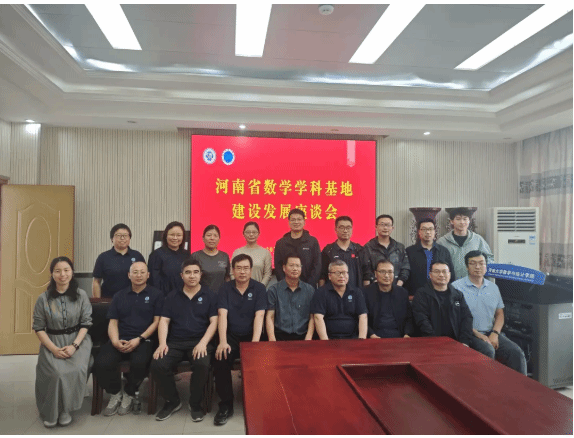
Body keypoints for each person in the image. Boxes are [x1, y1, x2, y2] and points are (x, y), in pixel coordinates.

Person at [151, 258, 218, 422]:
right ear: (182, 275)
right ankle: (172, 401)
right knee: (158, 363)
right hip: (175, 342)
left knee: (202, 364)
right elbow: (164, 321)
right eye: (188, 272)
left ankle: (195, 403)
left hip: (200, 341)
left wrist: (203, 343)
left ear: (201, 275)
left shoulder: (210, 295)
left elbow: (214, 322)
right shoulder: (172, 296)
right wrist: (162, 344)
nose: (192, 276)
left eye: (195, 272)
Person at [94, 261, 164, 416]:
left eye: (142, 272)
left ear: (148, 275)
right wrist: (115, 341)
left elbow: (156, 322)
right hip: (120, 338)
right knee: (101, 363)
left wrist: (139, 339)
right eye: (135, 272)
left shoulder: (156, 295)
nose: (139, 275)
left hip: (143, 339)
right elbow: (113, 322)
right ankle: (115, 392)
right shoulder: (119, 295)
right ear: (129, 275)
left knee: (140, 362)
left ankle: (129, 393)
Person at [33, 256, 93, 428]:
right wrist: (53, 349)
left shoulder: (81, 295)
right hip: (52, 341)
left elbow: (86, 323)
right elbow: (39, 328)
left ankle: (66, 409)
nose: (62, 275)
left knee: (76, 369)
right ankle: (51, 411)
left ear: (72, 272)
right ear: (52, 274)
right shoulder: (43, 299)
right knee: (55, 373)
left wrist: (74, 346)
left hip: (78, 340)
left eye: (66, 270)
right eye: (58, 271)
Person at [452, 251, 527, 374]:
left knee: (516, 353)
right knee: (487, 350)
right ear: (466, 266)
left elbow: (500, 314)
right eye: (473, 263)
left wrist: (495, 333)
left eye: (481, 263)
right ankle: (486, 385)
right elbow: (456, 318)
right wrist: (478, 335)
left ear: (486, 266)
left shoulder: (493, 287)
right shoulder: (456, 287)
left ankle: (519, 385)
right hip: (469, 333)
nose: (477, 267)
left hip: (491, 332)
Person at [213, 254, 267, 426]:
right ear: (233, 270)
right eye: (239, 268)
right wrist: (223, 341)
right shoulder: (225, 288)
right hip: (230, 335)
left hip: (252, 335)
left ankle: (255, 401)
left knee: (259, 360)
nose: (242, 272)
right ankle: (226, 404)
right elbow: (222, 315)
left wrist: (255, 344)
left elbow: (260, 316)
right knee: (221, 358)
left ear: (251, 270)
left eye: (246, 268)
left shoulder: (259, 288)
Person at [411, 261, 473, 347]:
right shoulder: (421, 294)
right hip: (431, 342)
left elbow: (467, 318)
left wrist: (464, 341)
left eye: (444, 271)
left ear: (449, 274)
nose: (441, 275)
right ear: (430, 275)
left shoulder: (458, 295)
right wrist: (435, 342)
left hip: (457, 341)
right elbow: (422, 320)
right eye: (437, 271)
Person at [310, 260, 368, 340]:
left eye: (344, 273)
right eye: (337, 273)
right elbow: (318, 317)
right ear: (329, 276)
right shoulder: (321, 292)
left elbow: (363, 316)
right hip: (329, 338)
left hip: (353, 339)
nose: (341, 276)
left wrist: (361, 340)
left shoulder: (356, 292)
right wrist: (325, 342)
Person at [266, 254, 315, 341]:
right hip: (280, 338)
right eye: (291, 265)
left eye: (298, 266)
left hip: (303, 337)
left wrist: (308, 338)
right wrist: (272, 339)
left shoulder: (309, 290)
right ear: (284, 268)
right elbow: (270, 316)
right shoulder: (273, 290)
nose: (295, 269)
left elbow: (312, 317)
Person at [436, 207, 494, 279]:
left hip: (474, 283)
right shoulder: (442, 242)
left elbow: (489, 259)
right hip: (450, 284)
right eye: (458, 219)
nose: (462, 222)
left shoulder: (478, 240)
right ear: (451, 221)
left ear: (469, 221)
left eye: (465, 219)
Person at [363, 259, 414, 338]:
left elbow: (409, 318)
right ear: (375, 274)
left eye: (390, 272)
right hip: (375, 337)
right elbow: (361, 318)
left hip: (399, 337)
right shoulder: (365, 293)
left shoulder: (402, 293)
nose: (386, 275)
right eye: (382, 272)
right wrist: (371, 335)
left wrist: (407, 334)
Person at [92, 223, 145, 298]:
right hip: (109, 299)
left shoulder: (137, 256)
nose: (122, 238)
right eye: (118, 235)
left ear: (129, 238)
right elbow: (96, 281)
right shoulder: (103, 257)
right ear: (112, 239)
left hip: (133, 299)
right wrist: (98, 301)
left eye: (125, 235)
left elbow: (144, 279)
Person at [404, 219, 455, 295]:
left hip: (440, 295)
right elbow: (406, 274)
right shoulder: (410, 251)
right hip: (416, 295)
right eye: (424, 229)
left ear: (435, 231)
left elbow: (451, 275)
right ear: (419, 232)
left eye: (430, 229)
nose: (428, 232)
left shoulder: (443, 251)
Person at [319, 216, 370, 289]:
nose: (345, 231)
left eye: (348, 228)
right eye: (342, 228)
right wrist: (321, 292)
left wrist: (366, 292)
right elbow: (322, 275)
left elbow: (366, 275)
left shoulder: (360, 250)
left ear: (352, 229)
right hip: (332, 293)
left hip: (356, 292)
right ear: (336, 229)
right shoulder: (328, 250)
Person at [274, 208, 321, 287]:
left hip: (309, 287)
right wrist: (285, 285)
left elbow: (317, 265)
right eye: (293, 220)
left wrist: (308, 286)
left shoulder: (312, 242)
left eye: (299, 219)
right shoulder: (281, 243)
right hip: (286, 288)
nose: (296, 222)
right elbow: (278, 267)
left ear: (304, 222)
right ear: (289, 222)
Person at [364, 214, 410, 286]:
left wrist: (398, 285)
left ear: (392, 228)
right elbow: (366, 270)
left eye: (388, 225)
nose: (385, 228)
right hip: (375, 287)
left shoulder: (399, 247)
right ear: (376, 227)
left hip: (396, 286)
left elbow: (405, 268)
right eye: (382, 225)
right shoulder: (368, 247)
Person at [148, 221, 189, 296]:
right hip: (163, 297)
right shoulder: (156, 255)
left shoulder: (187, 255)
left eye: (179, 235)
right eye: (172, 235)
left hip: (184, 296)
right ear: (166, 235)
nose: (175, 238)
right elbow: (153, 281)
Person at [191, 224, 230, 293]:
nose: (212, 238)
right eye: (209, 235)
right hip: (201, 296)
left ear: (219, 239)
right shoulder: (195, 256)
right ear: (203, 238)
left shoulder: (224, 256)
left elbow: (227, 277)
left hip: (221, 296)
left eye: (215, 236)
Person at [231, 221, 272, 287]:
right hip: (239, 289)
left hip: (258, 290)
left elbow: (267, 274)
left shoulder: (265, 253)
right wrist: (238, 287)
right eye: (248, 232)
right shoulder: (237, 252)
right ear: (243, 234)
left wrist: (260, 288)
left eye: (254, 232)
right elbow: (232, 273)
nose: (251, 234)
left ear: (258, 234)